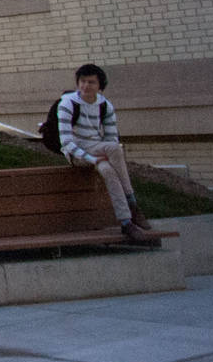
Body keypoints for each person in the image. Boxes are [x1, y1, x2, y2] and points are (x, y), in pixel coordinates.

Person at [59, 63, 155, 244]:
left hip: (97, 146)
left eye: (91, 82)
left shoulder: (105, 106)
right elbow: (66, 142)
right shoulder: (68, 103)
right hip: (76, 152)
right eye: (82, 81)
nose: (85, 86)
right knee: (112, 153)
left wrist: (100, 156)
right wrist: (92, 159)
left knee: (110, 166)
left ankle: (126, 222)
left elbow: (111, 138)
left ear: (99, 86)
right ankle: (133, 203)